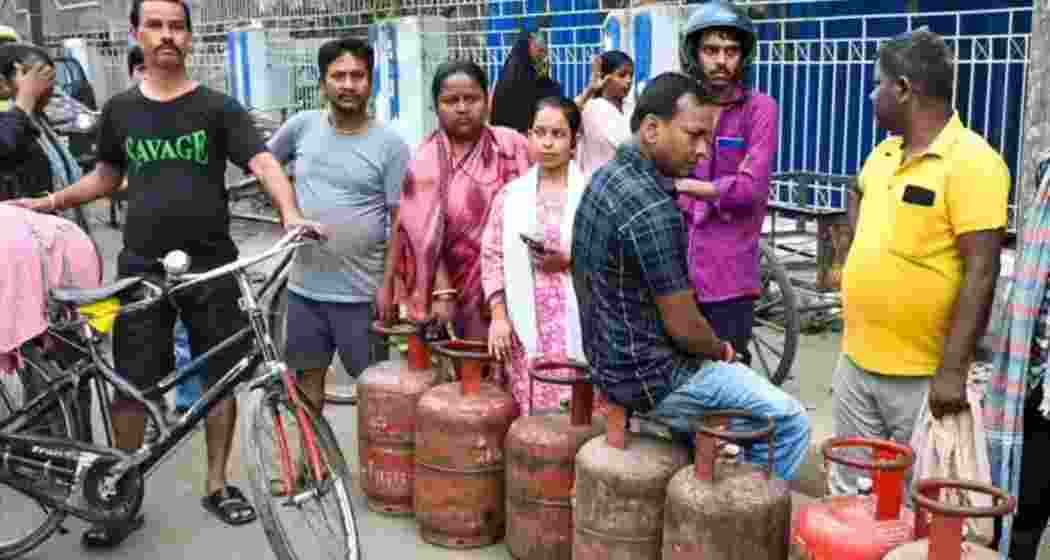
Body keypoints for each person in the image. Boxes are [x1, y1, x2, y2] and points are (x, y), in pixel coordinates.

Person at [9, 0, 320, 547]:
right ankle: (121, 495)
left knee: (222, 378)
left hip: (212, 265)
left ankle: (218, 483)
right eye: (155, 26)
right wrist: (52, 201)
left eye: (177, 26)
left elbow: (264, 163)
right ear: (138, 34)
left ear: (190, 38)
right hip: (141, 272)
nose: (167, 35)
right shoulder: (120, 110)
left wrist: (290, 213)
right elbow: (106, 176)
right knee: (132, 382)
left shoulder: (219, 108)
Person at [571, 71, 810, 480]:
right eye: (694, 136)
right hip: (652, 379)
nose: (703, 152)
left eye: (708, 140)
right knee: (790, 424)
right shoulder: (653, 208)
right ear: (650, 129)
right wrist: (722, 351)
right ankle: (735, 519)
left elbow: (583, 280)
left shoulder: (604, 180)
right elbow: (684, 328)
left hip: (607, 363)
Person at [831, 28, 1008, 495]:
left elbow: (982, 270)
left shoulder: (974, 163)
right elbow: (859, 189)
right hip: (855, 363)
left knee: (918, 507)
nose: (872, 95)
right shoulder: (884, 152)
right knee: (850, 496)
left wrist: (953, 370)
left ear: (904, 89)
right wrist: (854, 256)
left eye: (877, 84)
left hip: (922, 380)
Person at [268, 37, 410, 410]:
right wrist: (286, 209)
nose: (348, 84)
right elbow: (265, 167)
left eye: (357, 76)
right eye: (338, 76)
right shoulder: (301, 127)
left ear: (371, 81)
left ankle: (371, 469)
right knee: (305, 382)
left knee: (374, 393)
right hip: (304, 290)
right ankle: (308, 466)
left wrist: (389, 285)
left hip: (362, 295)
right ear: (323, 83)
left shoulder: (391, 145)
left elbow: (400, 222)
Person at [388, 60, 531, 340]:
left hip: (516, 282)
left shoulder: (513, 146)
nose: (462, 108)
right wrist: (442, 291)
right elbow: (420, 238)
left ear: (487, 100)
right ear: (436, 106)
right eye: (451, 100)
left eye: (472, 99)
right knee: (468, 373)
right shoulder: (425, 163)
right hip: (454, 291)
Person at [675, 1, 779, 366]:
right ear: (694, 53)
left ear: (743, 57)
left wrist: (684, 187)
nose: (721, 60)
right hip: (676, 273)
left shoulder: (760, 109)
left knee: (727, 382)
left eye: (731, 51)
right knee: (679, 384)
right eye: (711, 50)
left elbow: (750, 189)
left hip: (729, 276)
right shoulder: (682, 107)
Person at [481, 95, 587, 415]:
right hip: (526, 330)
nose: (548, 143)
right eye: (540, 133)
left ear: (574, 142)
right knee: (533, 431)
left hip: (581, 329)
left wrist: (570, 261)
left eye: (558, 134)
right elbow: (492, 256)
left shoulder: (592, 194)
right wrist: (499, 316)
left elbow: (614, 259)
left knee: (577, 422)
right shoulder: (512, 196)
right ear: (529, 137)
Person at [489, 28, 562, 135]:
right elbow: (534, 99)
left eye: (544, 51)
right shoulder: (520, 70)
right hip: (516, 134)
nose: (543, 56)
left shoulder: (516, 65)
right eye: (540, 51)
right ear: (530, 44)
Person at [575, 50, 635, 179]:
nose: (629, 80)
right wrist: (590, 89)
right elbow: (565, 119)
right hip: (595, 185)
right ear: (604, 77)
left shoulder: (632, 109)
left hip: (626, 185)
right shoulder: (589, 107)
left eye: (631, 75)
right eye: (622, 75)